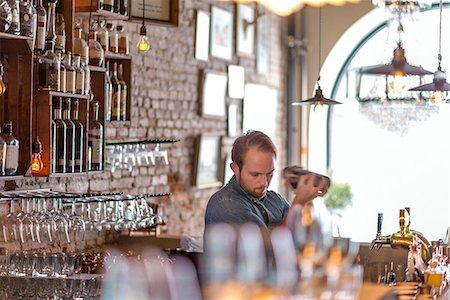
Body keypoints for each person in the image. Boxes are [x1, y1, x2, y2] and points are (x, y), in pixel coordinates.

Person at [204, 130, 329, 231]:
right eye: (255, 174)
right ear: (235, 169)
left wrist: (307, 195)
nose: (264, 183)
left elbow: (303, 236)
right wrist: (299, 202)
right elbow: (269, 250)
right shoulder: (225, 205)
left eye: (269, 173)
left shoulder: (275, 199)